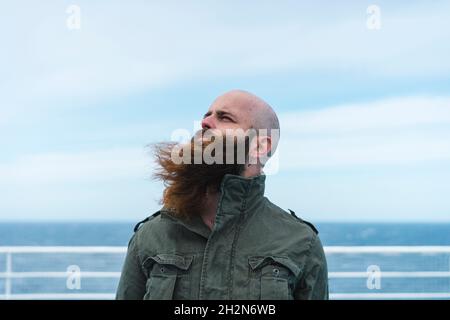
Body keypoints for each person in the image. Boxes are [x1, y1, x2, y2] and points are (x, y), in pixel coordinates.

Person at [116, 89, 329, 300]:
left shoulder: (301, 242)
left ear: (260, 145)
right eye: (206, 116)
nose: (205, 123)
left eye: (224, 117)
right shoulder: (152, 235)